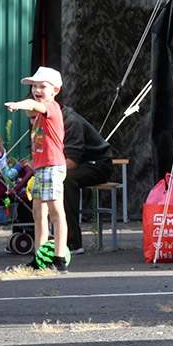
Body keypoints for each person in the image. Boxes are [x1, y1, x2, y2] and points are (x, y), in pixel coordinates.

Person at [6, 67, 67, 272]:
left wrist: (16, 105)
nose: (37, 89)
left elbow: (32, 104)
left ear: (55, 90)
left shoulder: (51, 107)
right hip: (41, 168)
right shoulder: (38, 115)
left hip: (52, 166)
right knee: (38, 213)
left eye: (42, 86)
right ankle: (39, 257)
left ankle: (59, 258)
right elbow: (32, 108)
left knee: (56, 213)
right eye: (34, 86)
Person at [60, 105, 114, 255]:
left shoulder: (71, 122)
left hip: (97, 164)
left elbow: (72, 162)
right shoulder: (41, 123)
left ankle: (73, 242)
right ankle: (29, 233)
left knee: (64, 180)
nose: (32, 121)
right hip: (76, 163)